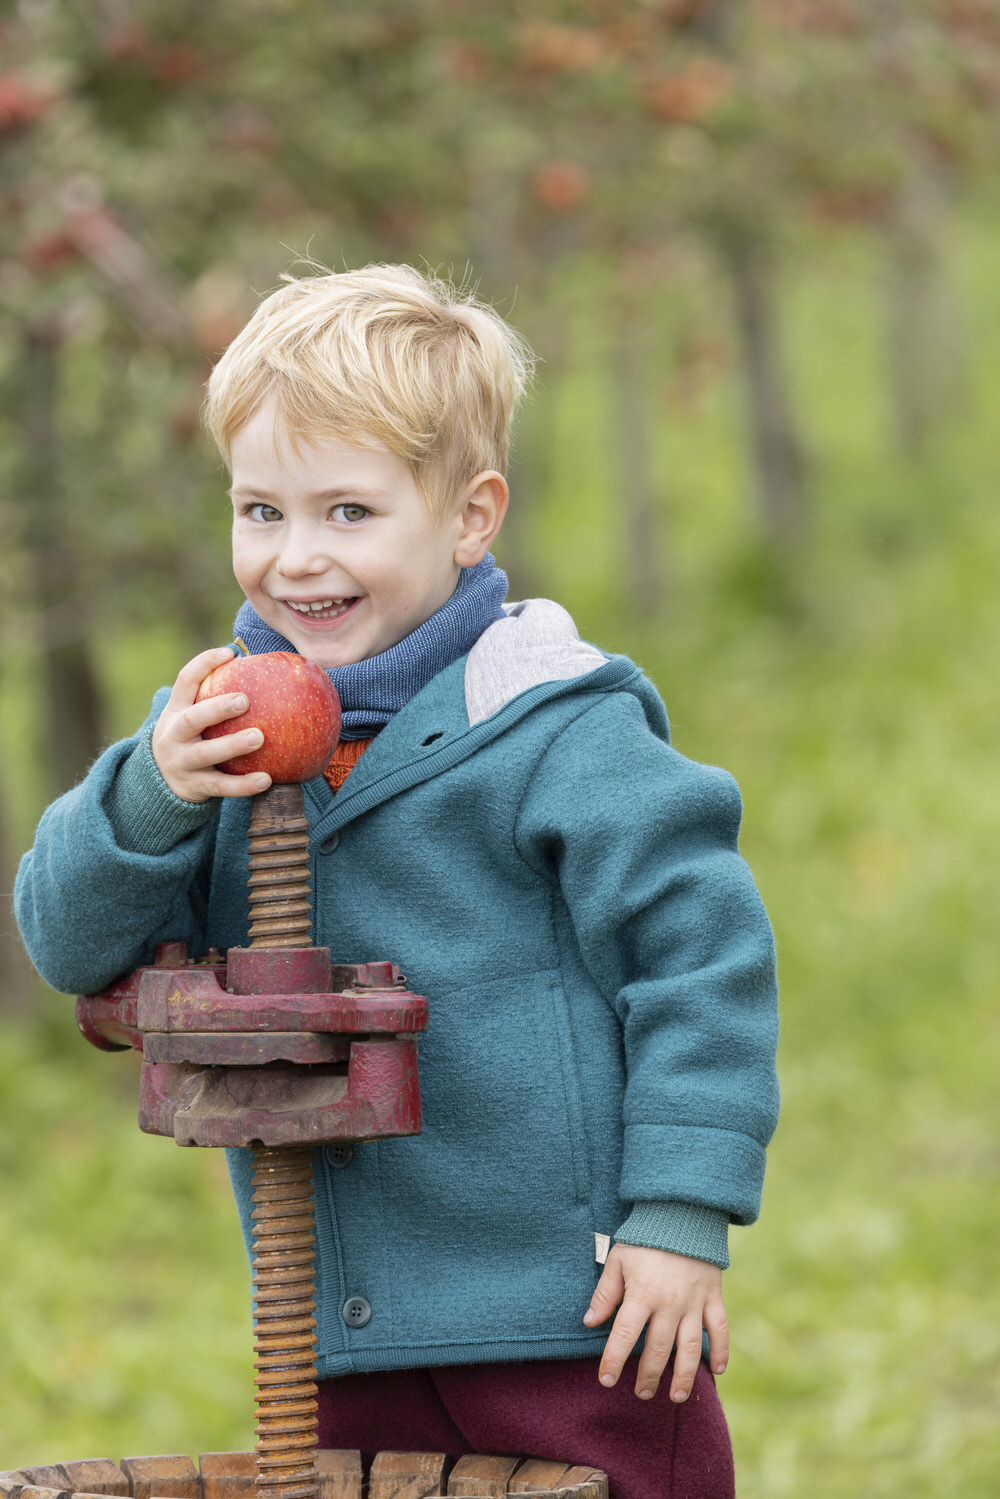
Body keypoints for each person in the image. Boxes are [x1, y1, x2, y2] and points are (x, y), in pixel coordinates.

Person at [15, 265, 778, 1499]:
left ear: (471, 517)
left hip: (577, 1310)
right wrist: (149, 789)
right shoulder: (208, 734)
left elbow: (700, 965)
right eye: (260, 510)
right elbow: (63, 942)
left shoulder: (554, 731)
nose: (296, 557)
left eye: (348, 512)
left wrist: (679, 1214)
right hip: (336, 1317)